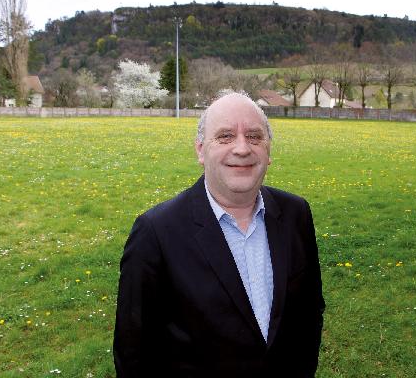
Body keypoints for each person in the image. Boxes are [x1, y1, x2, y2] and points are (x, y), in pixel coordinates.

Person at [114, 91, 325, 378]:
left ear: (269, 150)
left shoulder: (296, 213)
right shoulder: (156, 232)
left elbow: (309, 314)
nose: (242, 148)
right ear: (200, 150)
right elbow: (134, 352)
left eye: (254, 136)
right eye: (225, 136)